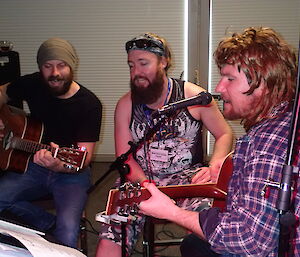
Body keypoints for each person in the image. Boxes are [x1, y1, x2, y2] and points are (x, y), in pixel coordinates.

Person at [138, 27, 299, 256]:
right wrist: (224, 173)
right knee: (193, 245)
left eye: (230, 78)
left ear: (264, 83)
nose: (218, 89)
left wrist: (171, 212)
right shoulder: (282, 120)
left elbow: (250, 241)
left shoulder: (269, 142)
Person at [96, 32, 233, 256]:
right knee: (108, 242)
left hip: (186, 179)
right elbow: (125, 158)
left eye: (143, 63)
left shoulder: (192, 96)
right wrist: (145, 184)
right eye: (131, 65)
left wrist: (215, 165)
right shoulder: (125, 105)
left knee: (211, 228)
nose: (136, 72)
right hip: (138, 180)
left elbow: (224, 133)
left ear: (163, 61)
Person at [0, 38, 102, 248]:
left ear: (71, 66)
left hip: (72, 173)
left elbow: (84, 158)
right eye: (48, 66)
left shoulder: (89, 104)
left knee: (67, 232)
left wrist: (59, 165)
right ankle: (46, 223)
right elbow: (2, 92)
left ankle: (56, 230)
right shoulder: (33, 84)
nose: (55, 73)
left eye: (61, 65)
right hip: (31, 165)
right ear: (40, 68)